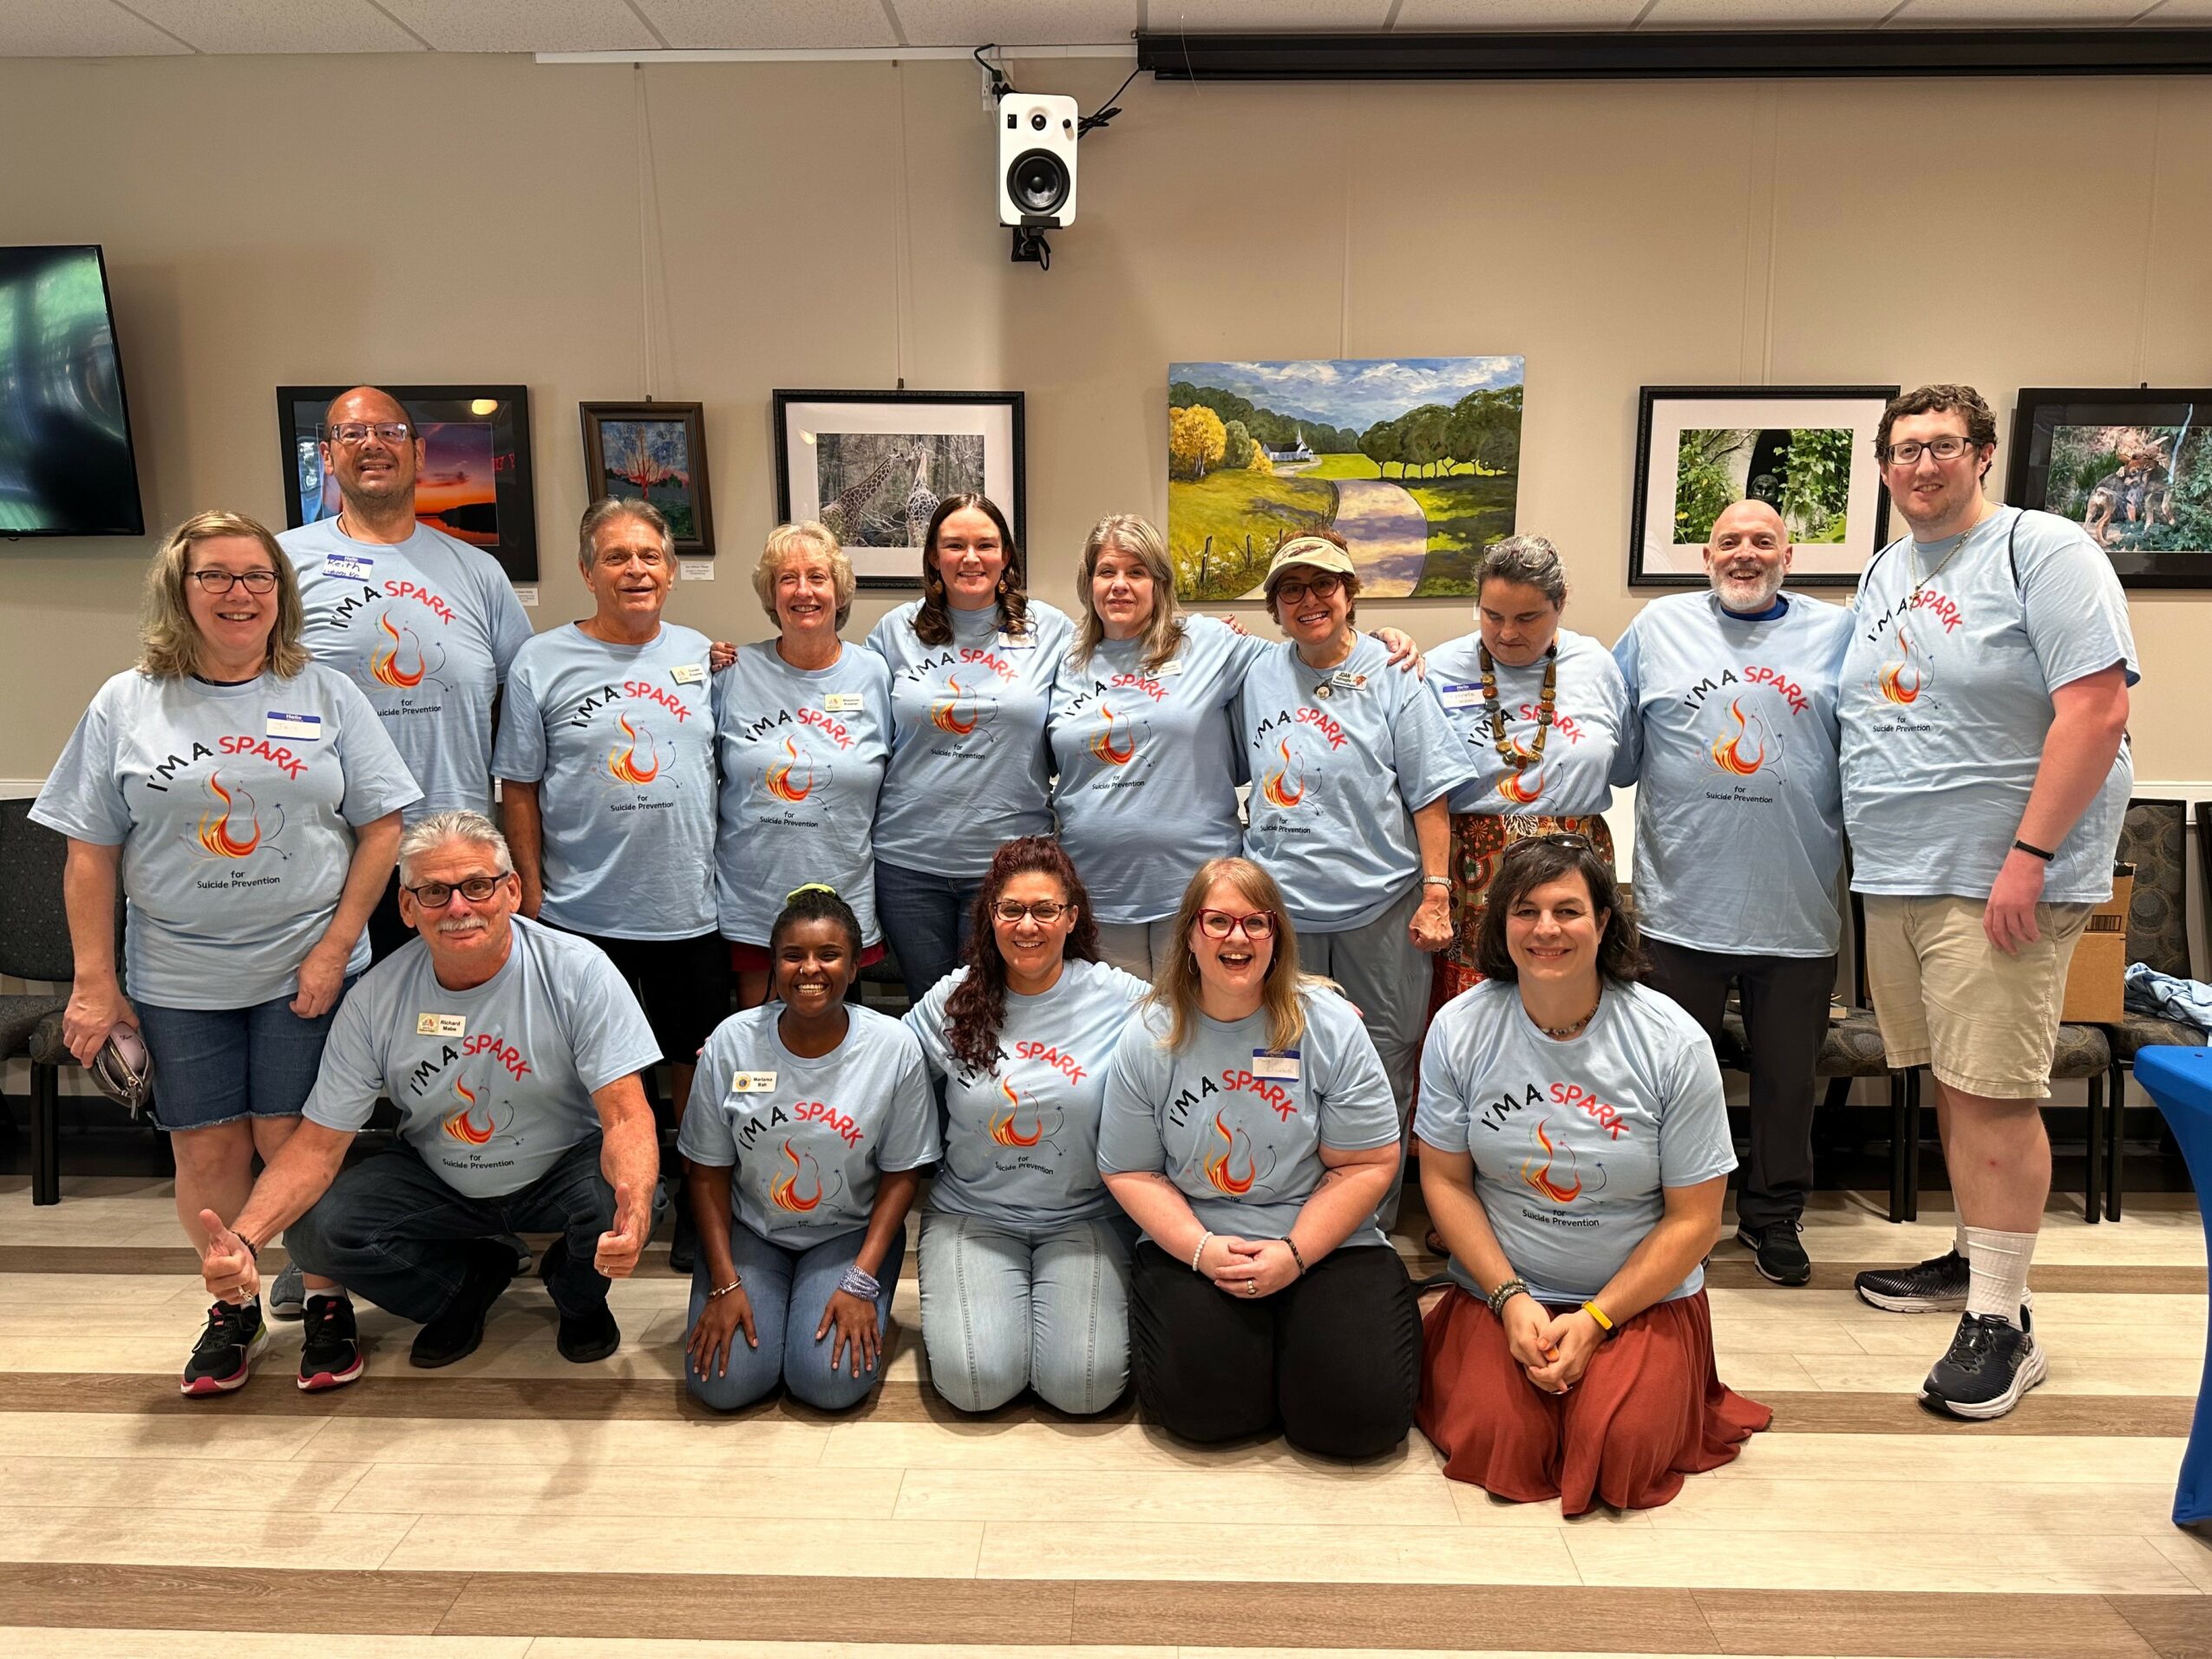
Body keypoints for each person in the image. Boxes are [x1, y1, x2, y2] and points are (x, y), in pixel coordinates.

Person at [34, 510, 417, 1394]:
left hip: (306, 969)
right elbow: (89, 850)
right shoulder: (124, 701)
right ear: (182, 588)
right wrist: (96, 980)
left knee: (295, 1138)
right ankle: (231, 1305)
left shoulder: (326, 692)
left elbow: (384, 823)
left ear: (280, 592)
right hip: (177, 974)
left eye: (257, 575)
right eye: (216, 575)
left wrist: (335, 946)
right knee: (206, 1155)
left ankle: (324, 1298)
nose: (239, 592)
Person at [1840, 384, 2136, 1421]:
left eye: (1942, 446)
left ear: (1983, 453)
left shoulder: (2044, 550)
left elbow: (2098, 708)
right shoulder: (1887, 567)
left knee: (1997, 1092)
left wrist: (2030, 854)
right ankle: (1974, 1259)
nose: (1921, 465)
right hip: (1902, 870)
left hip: (1995, 876)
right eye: (1904, 449)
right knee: (1955, 1081)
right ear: (1883, 465)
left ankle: (2004, 1322)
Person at [194, 811, 662, 1385]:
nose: (459, 907)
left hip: (559, 1170)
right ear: (408, 907)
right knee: (317, 1230)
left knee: (630, 1199)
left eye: (477, 885)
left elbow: (626, 1114)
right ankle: (460, 1290)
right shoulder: (375, 1000)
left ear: (511, 890)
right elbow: (317, 1147)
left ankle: (577, 1295)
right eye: (434, 892)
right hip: (439, 1176)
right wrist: (246, 1239)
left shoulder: (579, 973)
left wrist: (635, 1207)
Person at [1415, 835, 1770, 1512]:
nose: (1546, 928)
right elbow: (1446, 1183)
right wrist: (1511, 1298)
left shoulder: (1672, 1041)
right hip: (1500, 1293)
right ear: (1502, 925)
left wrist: (1600, 1317)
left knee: (1622, 1451)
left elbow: (1695, 1219)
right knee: (1499, 1440)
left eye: (1568, 910)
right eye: (1525, 910)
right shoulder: (1458, 1028)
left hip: (1640, 1301)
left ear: (1604, 922)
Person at [1100, 858, 1421, 1459]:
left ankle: (1296, 1342)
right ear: (1190, 935)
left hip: (1326, 1243)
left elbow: (1369, 1163)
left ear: (1277, 934)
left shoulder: (1327, 1025)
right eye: (1217, 920)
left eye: (1255, 921)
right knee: (1206, 1413)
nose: (1237, 937)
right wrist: (1200, 1248)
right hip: (1198, 1244)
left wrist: (1295, 1255)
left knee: (1358, 1423)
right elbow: (1130, 1169)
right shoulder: (1150, 1034)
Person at [1609, 500, 1852, 1287]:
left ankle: (1773, 1217)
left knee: (1787, 1084)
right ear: (1704, 557)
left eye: (1763, 541)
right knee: (1670, 1080)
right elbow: (1609, 747)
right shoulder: (1655, 630)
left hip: (1797, 906)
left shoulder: (1838, 632)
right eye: (1729, 542)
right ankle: (1670, 1218)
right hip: (1680, 906)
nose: (1745, 554)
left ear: (1791, 556)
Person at [492, 499, 725, 1267]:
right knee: (596, 1075)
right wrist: (530, 886)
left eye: (650, 556)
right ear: (587, 570)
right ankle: (603, 1207)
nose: (636, 570)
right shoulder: (541, 660)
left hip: (688, 908)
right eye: (618, 558)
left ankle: (696, 1202)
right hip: (582, 913)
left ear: (671, 569)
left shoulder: (699, 656)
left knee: (693, 1068)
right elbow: (517, 786)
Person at [1050, 514, 1422, 978]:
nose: (1120, 585)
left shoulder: (1206, 642)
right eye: (1107, 572)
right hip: (1094, 887)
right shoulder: (1061, 660)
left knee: (1189, 1030)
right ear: (1088, 583)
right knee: (1112, 1034)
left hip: (1199, 892)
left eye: (1137, 572)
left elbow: (1310, 650)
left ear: (1160, 583)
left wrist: (1380, 641)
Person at [1236, 531, 1475, 1227]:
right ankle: (1290, 1207)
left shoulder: (1394, 669)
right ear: (1275, 608)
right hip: (1283, 908)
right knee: (1281, 1056)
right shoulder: (1254, 672)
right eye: (1291, 589)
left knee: (1382, 1059)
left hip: (1381, 904)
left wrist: (1437, 892)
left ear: (1350, 595)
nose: (1309, 600)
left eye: (1324, 585)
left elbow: (1430, 792)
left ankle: (1365, 1220)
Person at [280, 386, 534, 959]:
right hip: (332, 863)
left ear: (419, 455)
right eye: (352, 433)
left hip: (456, 869)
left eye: (390, 432)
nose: (372, 443)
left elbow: (529, 694)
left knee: (456, 1034)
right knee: (349, 1041)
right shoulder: (284, 565)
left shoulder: (479, 571)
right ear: (326, 455)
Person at [902, 837, 1149, 1413]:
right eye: (1010, 908)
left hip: (1084, 1216)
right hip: (974, 1214)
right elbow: (876, 1057)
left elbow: (1203, 1011)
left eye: (1044, 909)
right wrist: (763, 1042)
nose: (1027, 925)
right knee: (977, 1386)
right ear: (990, 916)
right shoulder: (956, 996)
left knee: (1084, 1389)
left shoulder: (1115, 995)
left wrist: (1302, 1000)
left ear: (1072, 917)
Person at [679, 885, 939, 1412]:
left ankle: (819, 1307)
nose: (810, 969)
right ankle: (771, 1305)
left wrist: (862, 1278)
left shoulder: (893, 1049)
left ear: (855, 966)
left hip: (847, 1235)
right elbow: (706, 1171)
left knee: (828, 1383)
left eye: (829, 954)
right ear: (773, 967)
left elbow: (902, 1174)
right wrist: (725, 1282)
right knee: (725, 1386)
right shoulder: (730, 1042)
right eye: (793, 956)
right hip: (753, 1230)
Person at [866, 494, 1073, 1002]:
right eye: (954, 545)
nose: (970, 557)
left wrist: (1201, 638)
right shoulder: (896, 632)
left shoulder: (1051, 631)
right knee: (929, 1012)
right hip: (909, 862)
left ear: (1007, 557)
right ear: (934, 557)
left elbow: (1116, 672)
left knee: (1001, 1009)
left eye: (985, 544)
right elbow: (846, 711)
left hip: (1011, 869)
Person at [1423, 535, 1628, 1007]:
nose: (1507, 633)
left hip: (1577, 860)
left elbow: (1626, 760)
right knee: (1474, 1006)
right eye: (1492, 616)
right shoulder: (1436, 669)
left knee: (1570, 998)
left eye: (1527, 618)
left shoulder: (1596, 665)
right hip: (1474, 866)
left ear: (1561, 604)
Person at [716, 521, 892, 1009]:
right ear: (771, 596)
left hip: (843, 892)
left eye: (817, 576)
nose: (803, 591)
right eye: (787, 578)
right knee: (760, 1052)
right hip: (754, 897)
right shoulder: (732, 671)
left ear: (840, 590)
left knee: (832, 1049)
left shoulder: (874, 673)